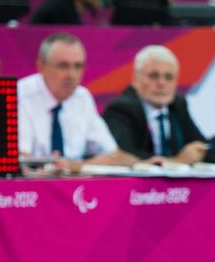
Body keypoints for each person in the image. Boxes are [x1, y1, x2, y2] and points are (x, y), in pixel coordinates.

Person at [17, 33, 137, 167]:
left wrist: (74, 167)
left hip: (75, 185)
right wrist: (78, 166)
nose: (71, 75)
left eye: (78, 66)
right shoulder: (20, 96)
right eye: (63, 66)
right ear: (41, 67)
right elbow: (21, 162)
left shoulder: (82, 97)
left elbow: (113, 155)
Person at [102, 45, 212, 164]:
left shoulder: (178, 104)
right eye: (154, 76)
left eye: (168, 77)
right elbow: (123, 155)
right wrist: (177, 162)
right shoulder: (121, 108)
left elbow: (202, 147)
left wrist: (201, 152)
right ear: (135, 80)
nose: (161, 83)